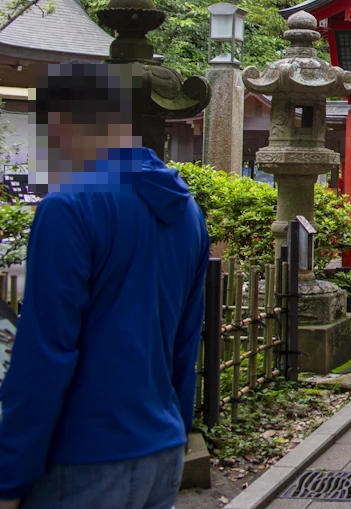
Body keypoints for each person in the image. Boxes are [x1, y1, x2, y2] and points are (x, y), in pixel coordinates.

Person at [0, 64, 210, 509]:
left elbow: (46, 349)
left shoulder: (69, 206)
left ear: (61, 124)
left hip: (83, 454)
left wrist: (9, 474)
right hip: (161, 447)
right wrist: (177, 424)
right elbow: (186, 343)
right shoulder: (186, 209)